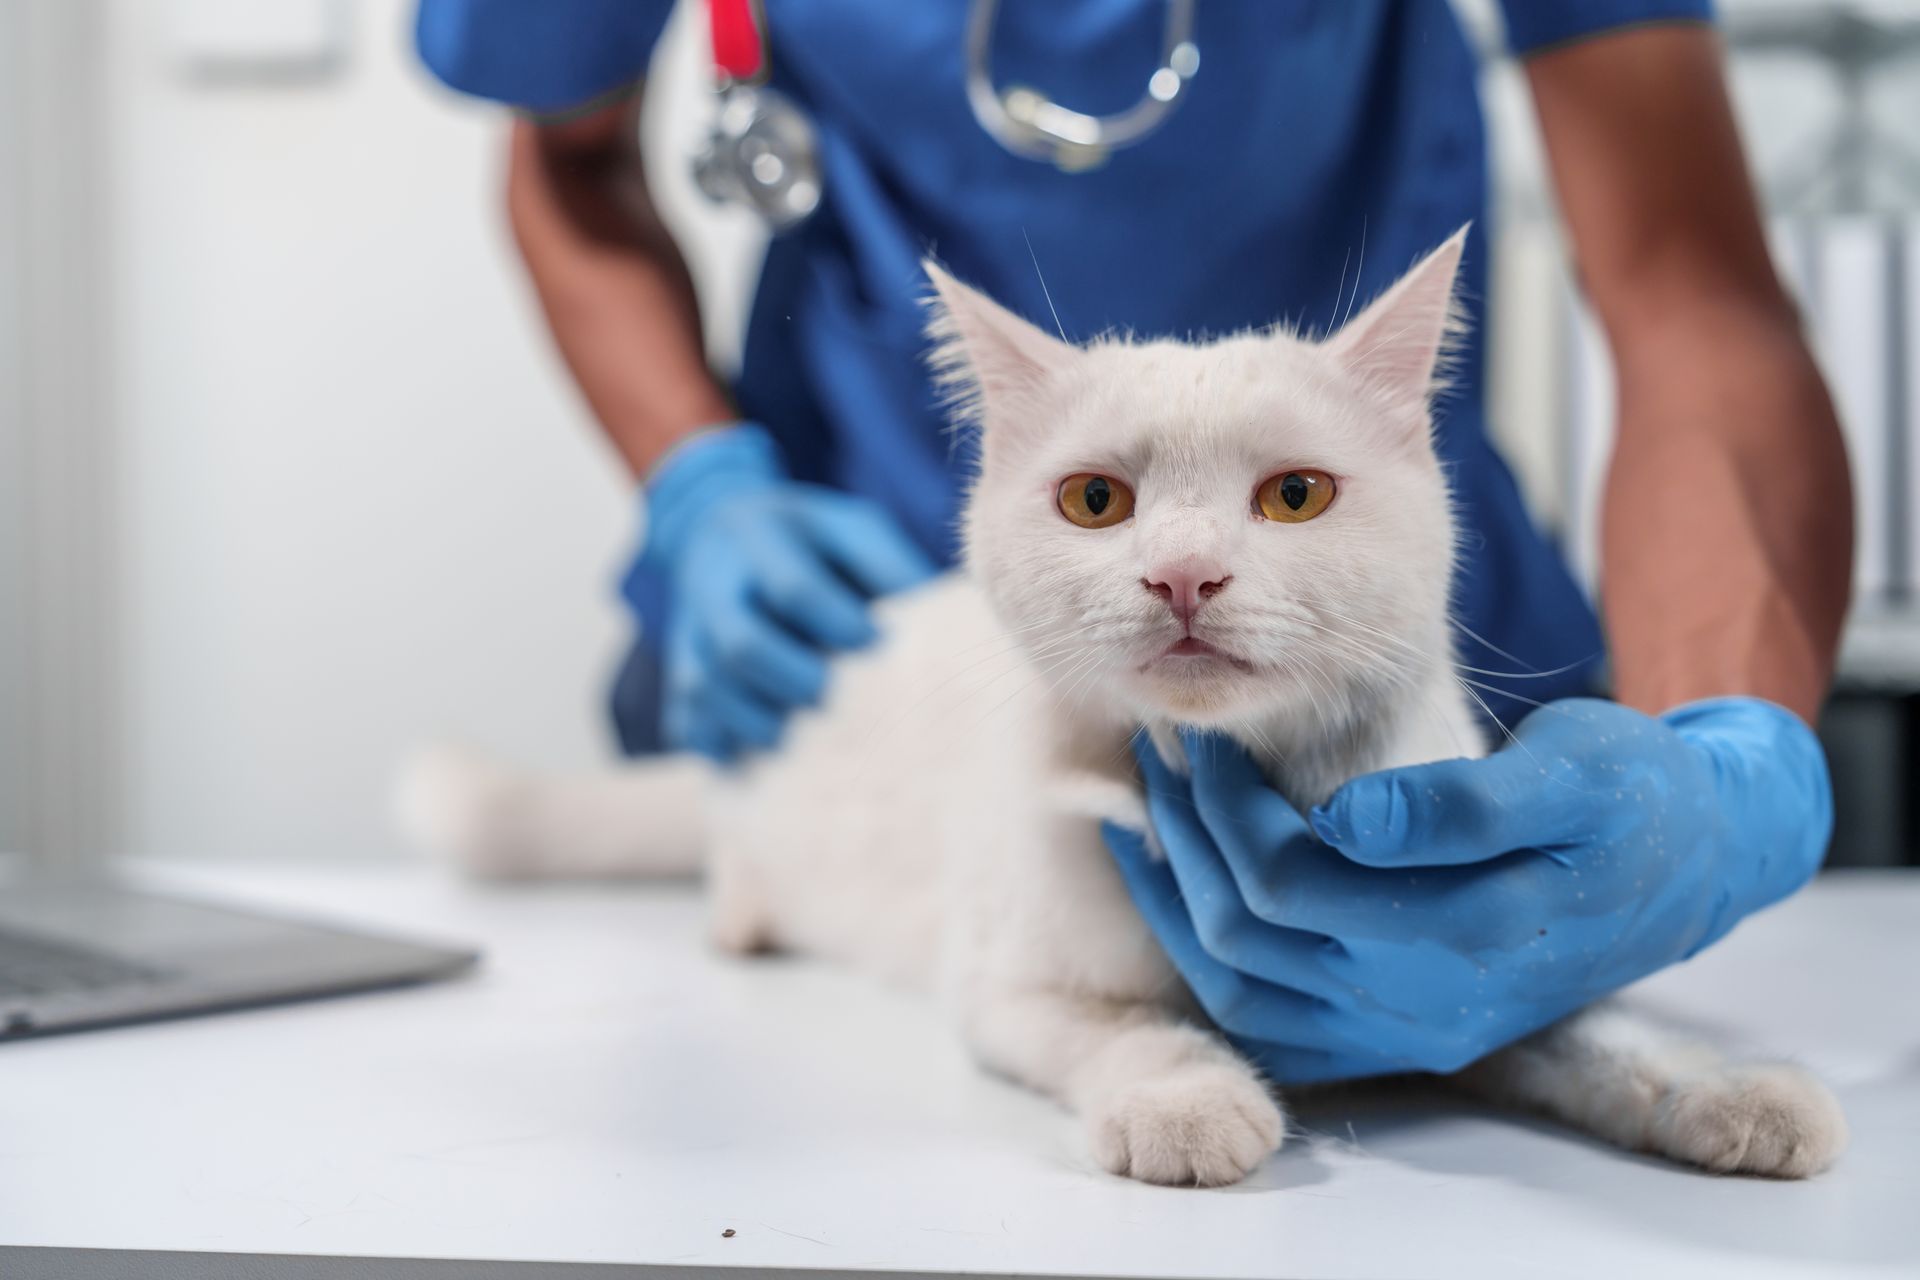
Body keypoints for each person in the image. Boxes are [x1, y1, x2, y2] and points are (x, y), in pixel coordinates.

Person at [416, 1, 1852, 1082]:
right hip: (887, 649)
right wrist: (702, 484)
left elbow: (1690, 290)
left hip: (1380, 659)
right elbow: (566, 162)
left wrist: (1723, 772)